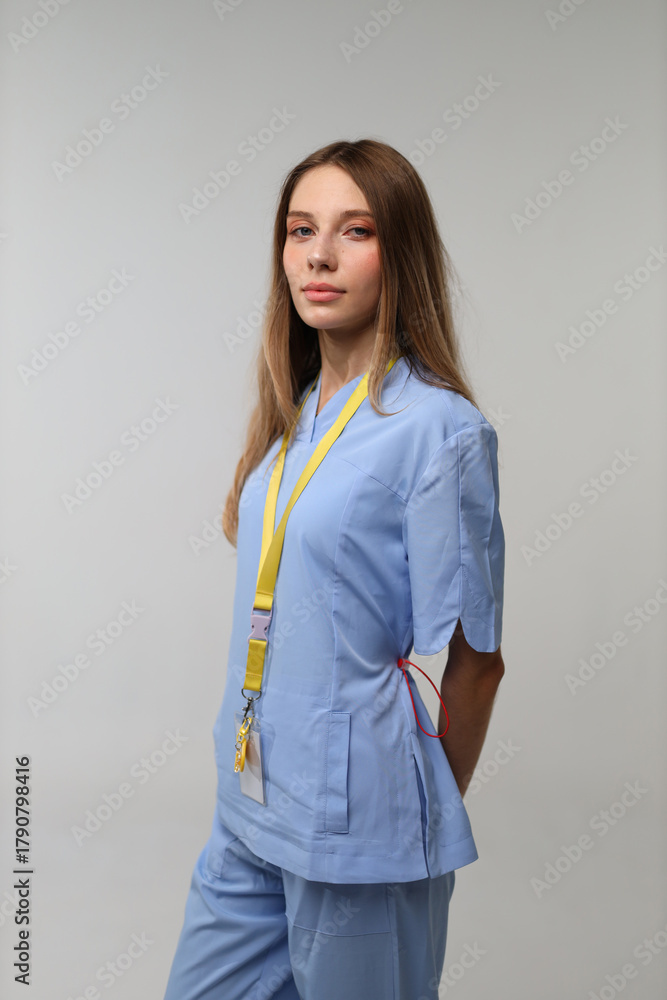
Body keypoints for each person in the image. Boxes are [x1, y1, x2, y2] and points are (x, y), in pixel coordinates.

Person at [162, 138, 506, 1000]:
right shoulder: (291, 418)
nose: (317, 255)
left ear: (401, 253)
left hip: (359, 827)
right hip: (250, 798)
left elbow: (477, 660)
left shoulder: (438, 431)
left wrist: (412, 814)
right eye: (299, 230)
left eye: (355, 230)